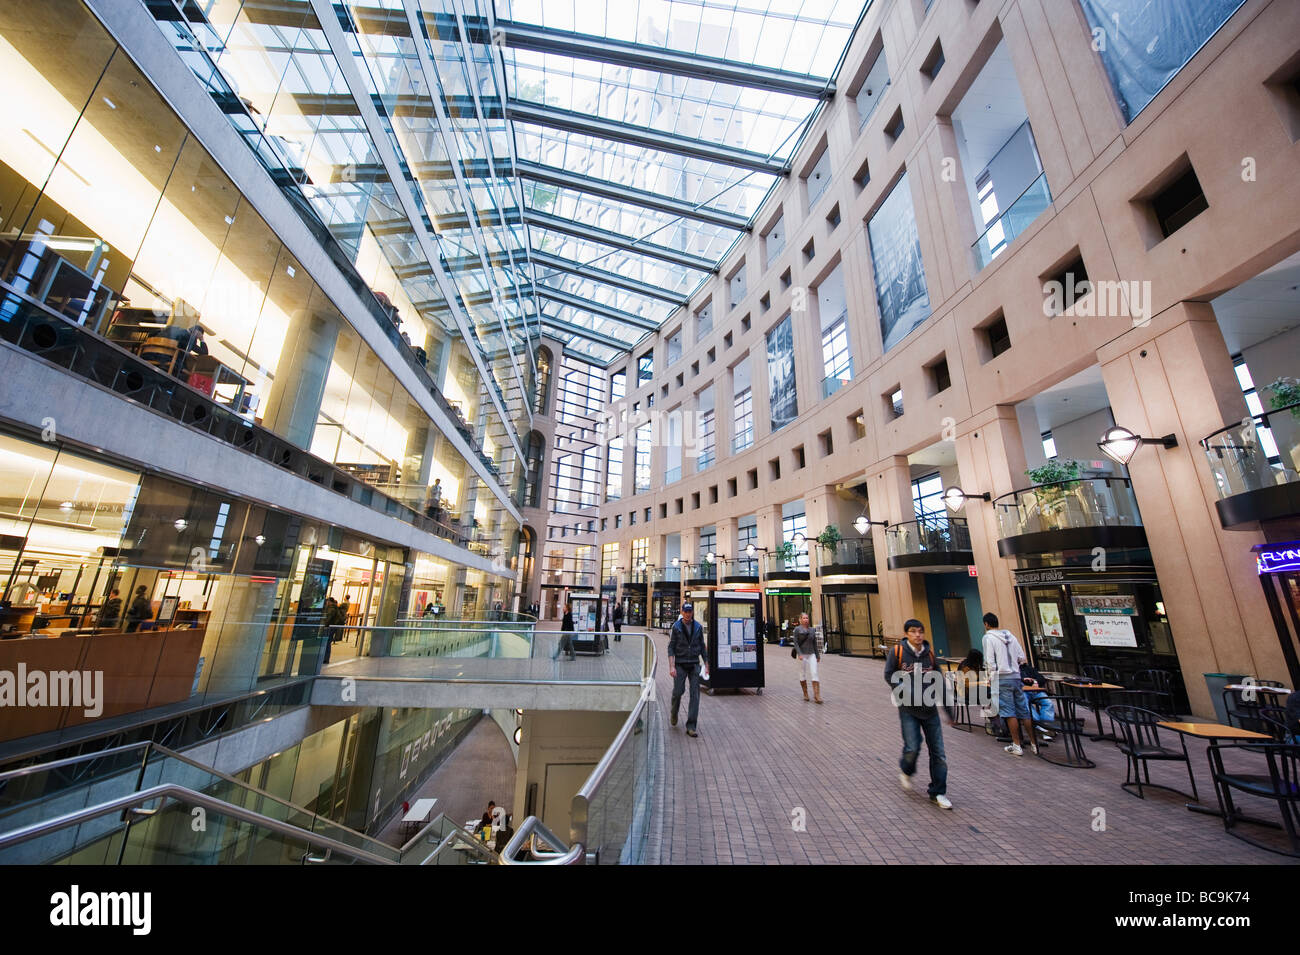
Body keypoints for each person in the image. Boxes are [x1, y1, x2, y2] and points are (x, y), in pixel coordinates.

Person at [884, 619, 951, 809]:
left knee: (939, 753)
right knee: (913, 747)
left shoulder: (929, 654)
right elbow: (889, 674)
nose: (917, 635)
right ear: (906, 634)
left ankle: (938, 792)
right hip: (908, 709)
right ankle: (906, 770)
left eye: (920, 631)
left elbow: (939, 681)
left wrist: (948, 709)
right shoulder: (897, 652)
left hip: (930, 711)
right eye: (913, 632)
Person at [982, 612, 1036, 756]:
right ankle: (1033, 743)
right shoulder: (1011, 636)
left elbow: (989, 661)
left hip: (1002, 678)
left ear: (986, 624)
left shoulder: (988, 638)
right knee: (1023, 710)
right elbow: (1021, 657)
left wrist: (991, 676)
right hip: (1016, 677)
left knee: (1009, 712)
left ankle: (1017, 744)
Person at [667, 602, 708, 738]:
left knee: (695, 695)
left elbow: (702, 647)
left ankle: (691, 726)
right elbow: (671, 647)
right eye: (685, 611)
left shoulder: (698, 627)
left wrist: (707, 664)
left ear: (692, 612)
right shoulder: (676, 627)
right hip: (680, 663)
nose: (687, 614)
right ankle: (674, 712)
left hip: (694, 664)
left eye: (689, 611)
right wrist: (672, 666)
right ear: (682, 611)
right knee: (678, 691)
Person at [792, 612, 822, 703]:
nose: (806, 620)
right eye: (804, 618)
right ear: (800, 620)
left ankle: (817, 695)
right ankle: (805, 693)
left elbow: (814, 643)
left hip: (811, 653)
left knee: (814, 672)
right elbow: (796, 643)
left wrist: (817, 655)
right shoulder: (797, 629)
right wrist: (800, 654)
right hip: (802, 654)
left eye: (807, 618)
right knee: (802, 673)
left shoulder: (812, 630)